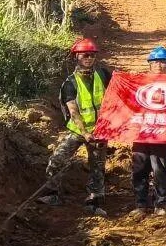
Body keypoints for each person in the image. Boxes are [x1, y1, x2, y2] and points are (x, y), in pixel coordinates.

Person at [38, 38, 112, 216]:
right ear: (76, 57)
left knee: (97, 167)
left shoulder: (102, 75)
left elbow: (118, 91)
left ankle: (94, 202)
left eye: (92, 55)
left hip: (100, 131)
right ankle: (52, 194)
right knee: (57, 159)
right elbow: (73, 111)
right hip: (79, 130)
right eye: (85, 55)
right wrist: (85, 132)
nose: (89, 58)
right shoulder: (70, 83)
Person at [129, 46, 166, 220]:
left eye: (163, 62)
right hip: (142, 134)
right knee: (139, 169)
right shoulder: (139, 82)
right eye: (155, 62)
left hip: (163, 135)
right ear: (149, 64)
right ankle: (141, 204)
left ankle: (160, 204)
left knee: (160, 170)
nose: (159, 65)